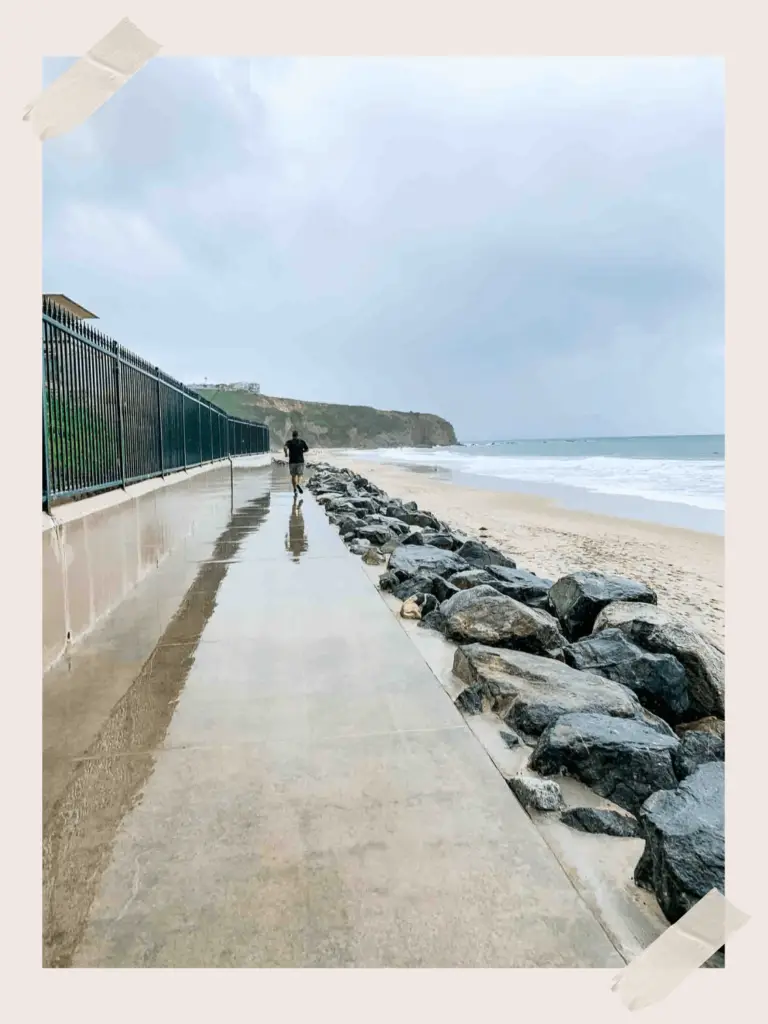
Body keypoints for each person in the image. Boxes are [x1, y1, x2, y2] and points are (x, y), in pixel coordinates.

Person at [283, 430, 309, 495]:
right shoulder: (302, 442)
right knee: (300, 475)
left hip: (292, 462)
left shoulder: (289, 442)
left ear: (292, 435)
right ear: (297, 435)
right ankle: (298, 484)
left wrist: (286, 454)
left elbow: (285, 447)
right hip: (300, 461)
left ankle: (294, 489)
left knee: (293, 476)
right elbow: (307, 449)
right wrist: (303, 451)